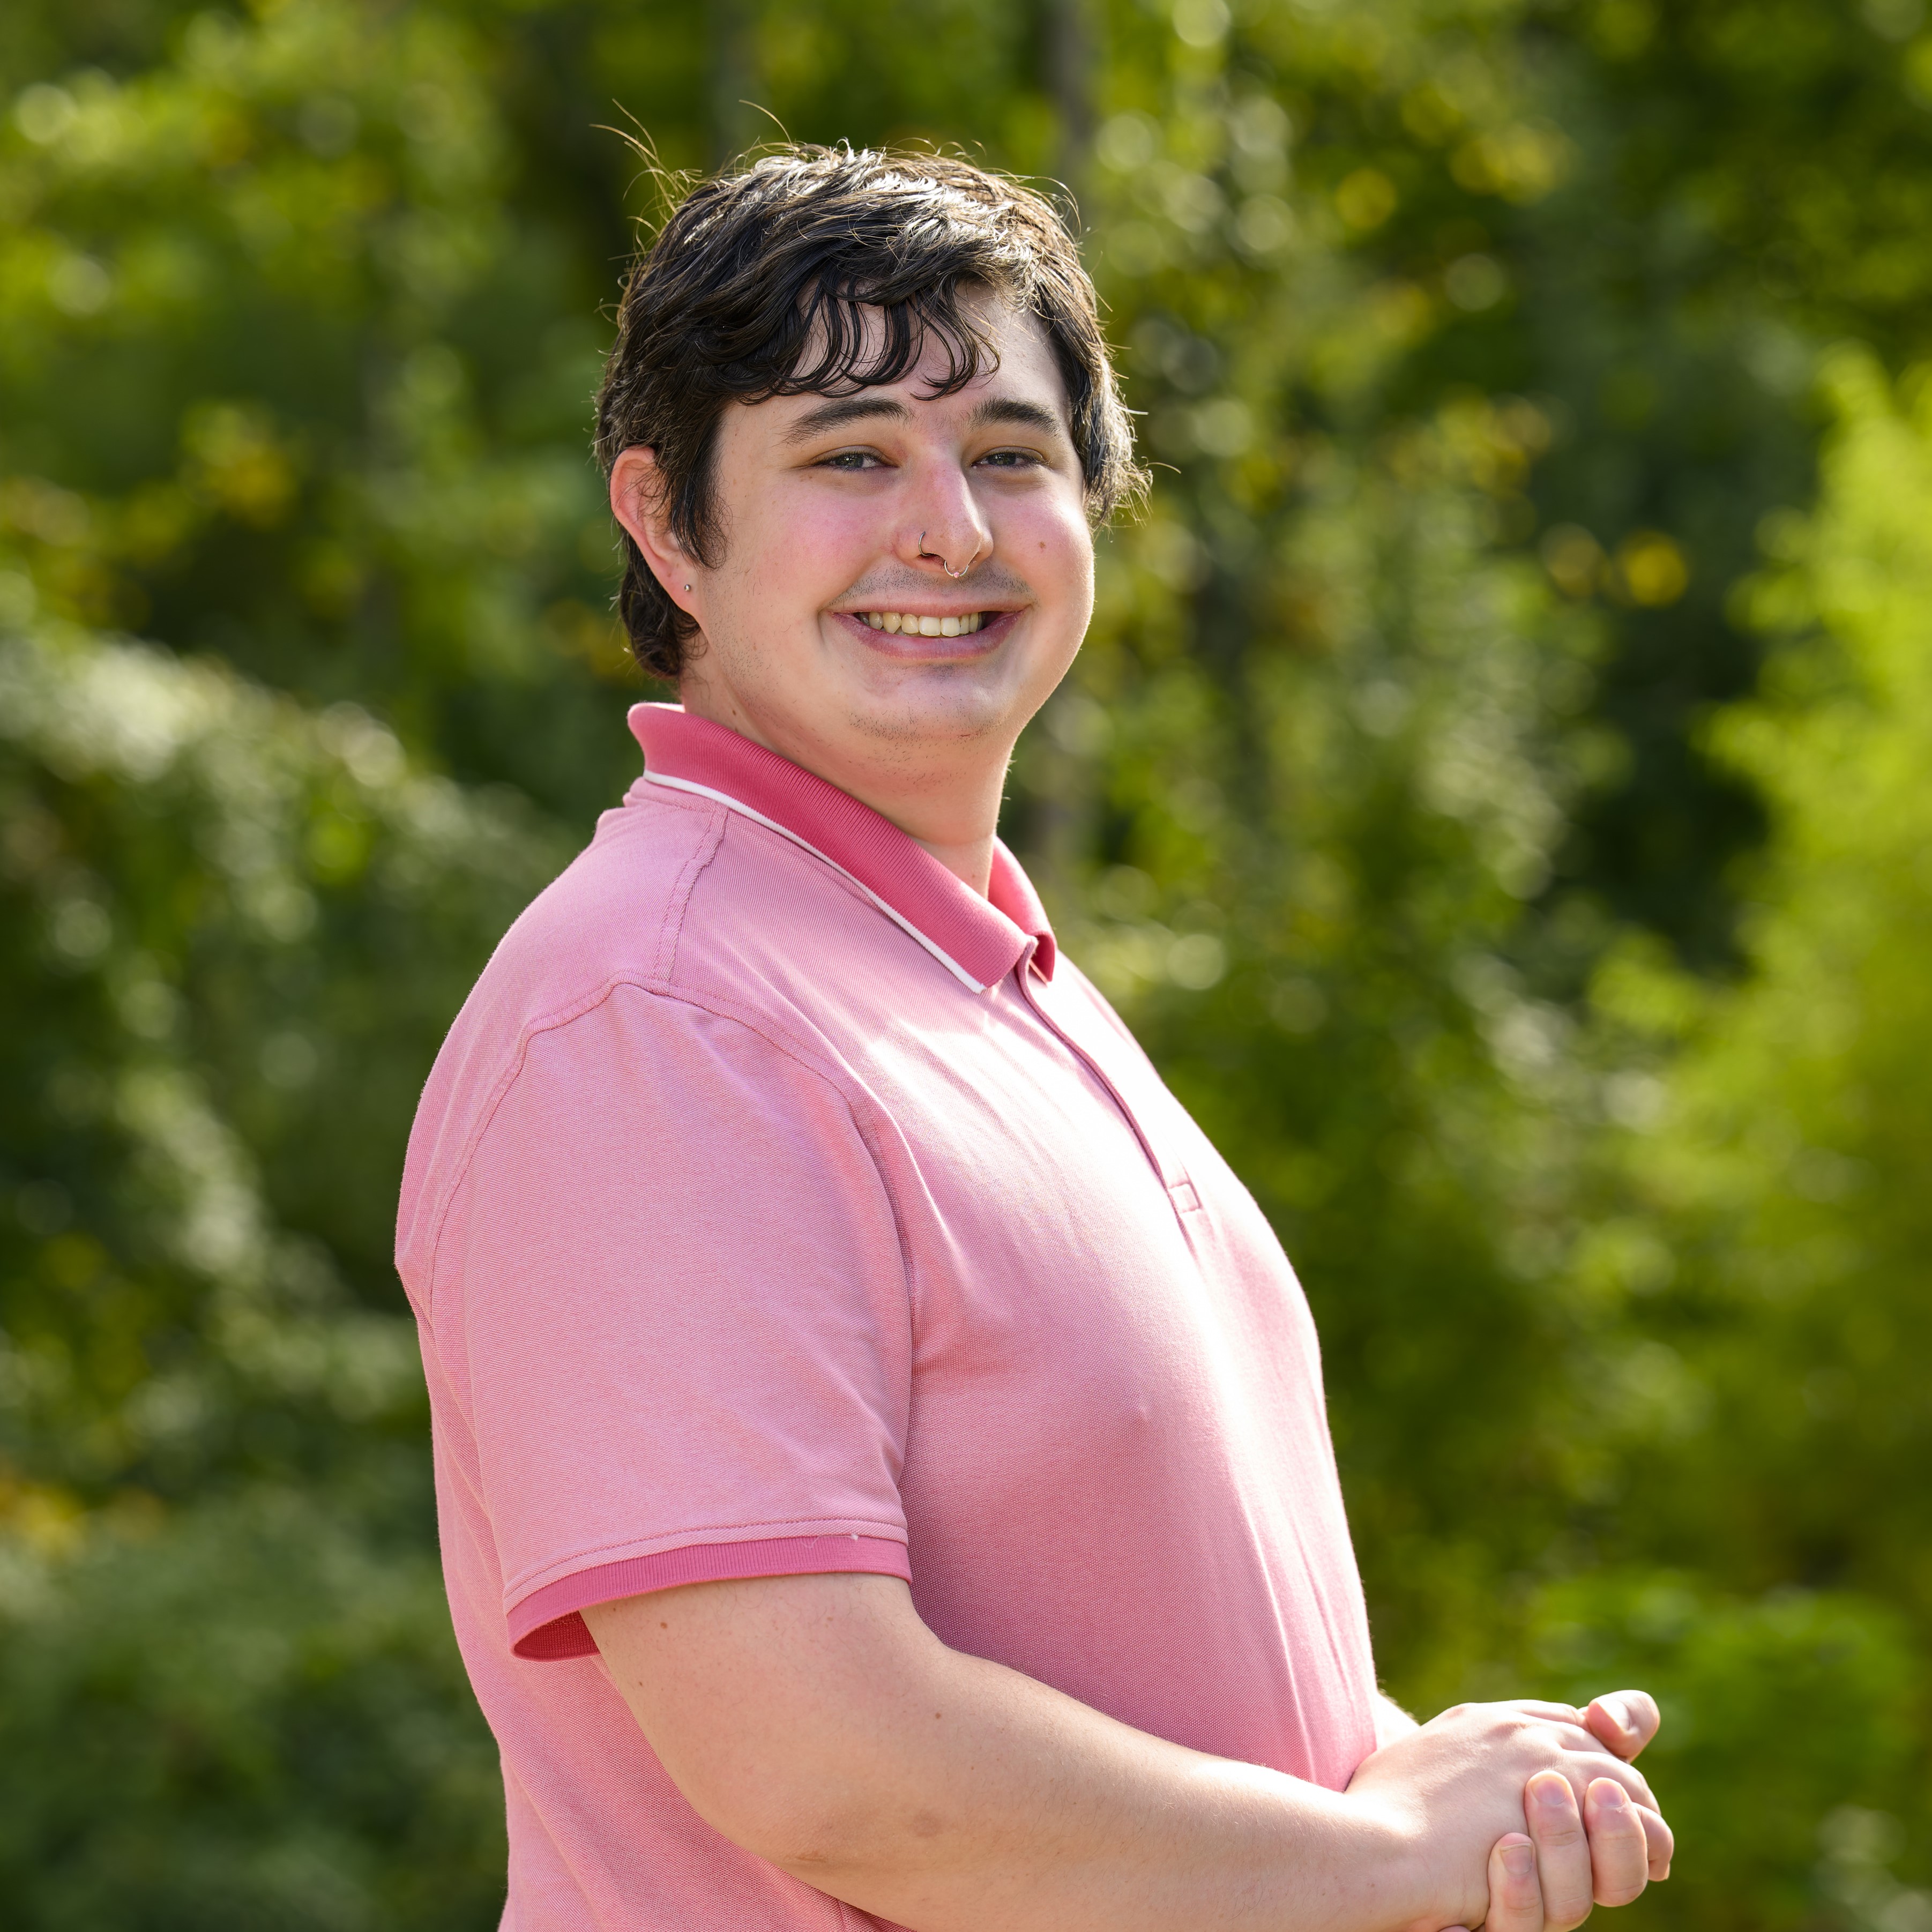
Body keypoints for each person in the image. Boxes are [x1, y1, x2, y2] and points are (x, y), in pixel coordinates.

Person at [395, 145, 1674, 1932]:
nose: (953, 530)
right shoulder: (661, 1015)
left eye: (1011, 452)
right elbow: (827, 1763)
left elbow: (1148, 1669)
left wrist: (1445, 1791)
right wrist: (1386, 1856)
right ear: (670, 524)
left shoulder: (979, 972)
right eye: (850, 455)